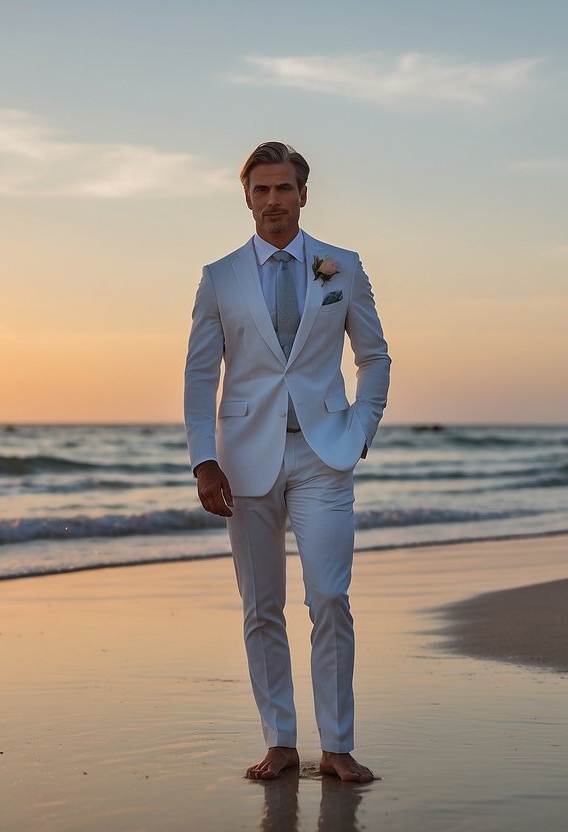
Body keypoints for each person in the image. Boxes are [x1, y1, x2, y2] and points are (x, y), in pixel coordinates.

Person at [184, 141, 391, 782]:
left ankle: (337, 744)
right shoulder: (220, 276)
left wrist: (359, 428)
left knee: (329, 597)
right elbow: (199, 374)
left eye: (284, 189)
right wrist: (204, 461)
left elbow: (374, 357)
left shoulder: (342, 267)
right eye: (261, 190)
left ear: (304, 194)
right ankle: (279, 740)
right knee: (261, 606)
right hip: (246, 463)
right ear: (247, 198)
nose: (273, 201)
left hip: (322, 453)